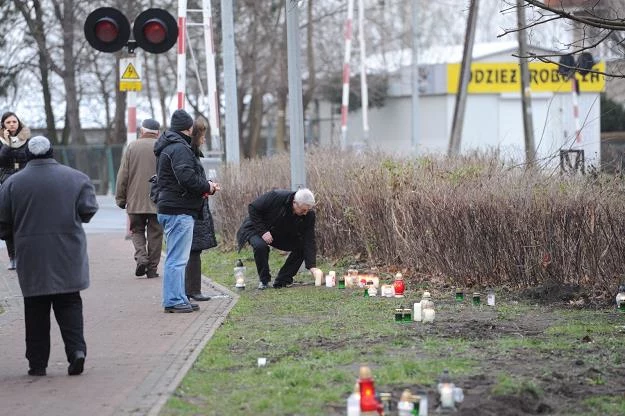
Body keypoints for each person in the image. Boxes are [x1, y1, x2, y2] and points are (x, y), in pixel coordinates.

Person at [0, 136, 98, 376]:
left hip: (31, 255)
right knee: (70, 303)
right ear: (52, 152)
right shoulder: (76, 178)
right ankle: (77, 352)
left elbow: (3, 222)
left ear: (28, 156)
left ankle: (37, 363)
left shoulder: (12, 184)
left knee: (35, 309)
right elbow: (88, 211)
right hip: (68, 253)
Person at [154, 109, 216, 313]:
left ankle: (179, 297)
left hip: (171, 207)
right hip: (178, 210)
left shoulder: (168, 146)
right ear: (189, 128)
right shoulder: (179, 148)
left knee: (177, 258)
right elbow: (186, 178)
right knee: (177, 259)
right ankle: (173, 300)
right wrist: (207, 187)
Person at [236, 188, 321, 289]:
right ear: (294, 203)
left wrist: (312, 266)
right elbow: (253, 208)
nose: (305, 213)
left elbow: (309, 239)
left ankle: (282, 280)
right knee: (260, 246)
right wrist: (263, 232)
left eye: (308, 210)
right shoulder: (276, 196)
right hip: (255, 227)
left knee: (302, 246)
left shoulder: (308, 215)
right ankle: (264, 281)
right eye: (303, 210)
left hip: (277, 233)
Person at [115, 118, 164, 279]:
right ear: (158, 133)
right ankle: (152, 269)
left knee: (136, 230)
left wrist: (121, 199)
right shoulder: (162, 147)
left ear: (142, 131)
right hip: (158, 200)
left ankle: (141, 258)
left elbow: (123, 175)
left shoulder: (132, 147)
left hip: (135, 199)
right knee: (155, 234)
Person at [185, 117, 221, 301]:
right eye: (202, 136)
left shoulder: (192, 154)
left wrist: (208, 187)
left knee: (193, 250)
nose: (205, 139)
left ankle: (191, 289)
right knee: (192, 250)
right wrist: (207, 187)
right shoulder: (190, 156)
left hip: (197, 209)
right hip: (194, 210)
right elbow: (192, 182)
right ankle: (192, 290)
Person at [0, 111, 32, 270]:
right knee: (9, 222)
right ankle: (13, 257)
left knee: (28, 220)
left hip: (26, 179)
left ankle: (28, 255)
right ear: (3, 126)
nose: (12, 124)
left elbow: (31, 158)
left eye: (14, 121)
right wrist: (6, 143)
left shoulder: (27, 139)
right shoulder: (1, 141)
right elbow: (1, 160)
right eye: (8, 122)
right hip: (7, 180)